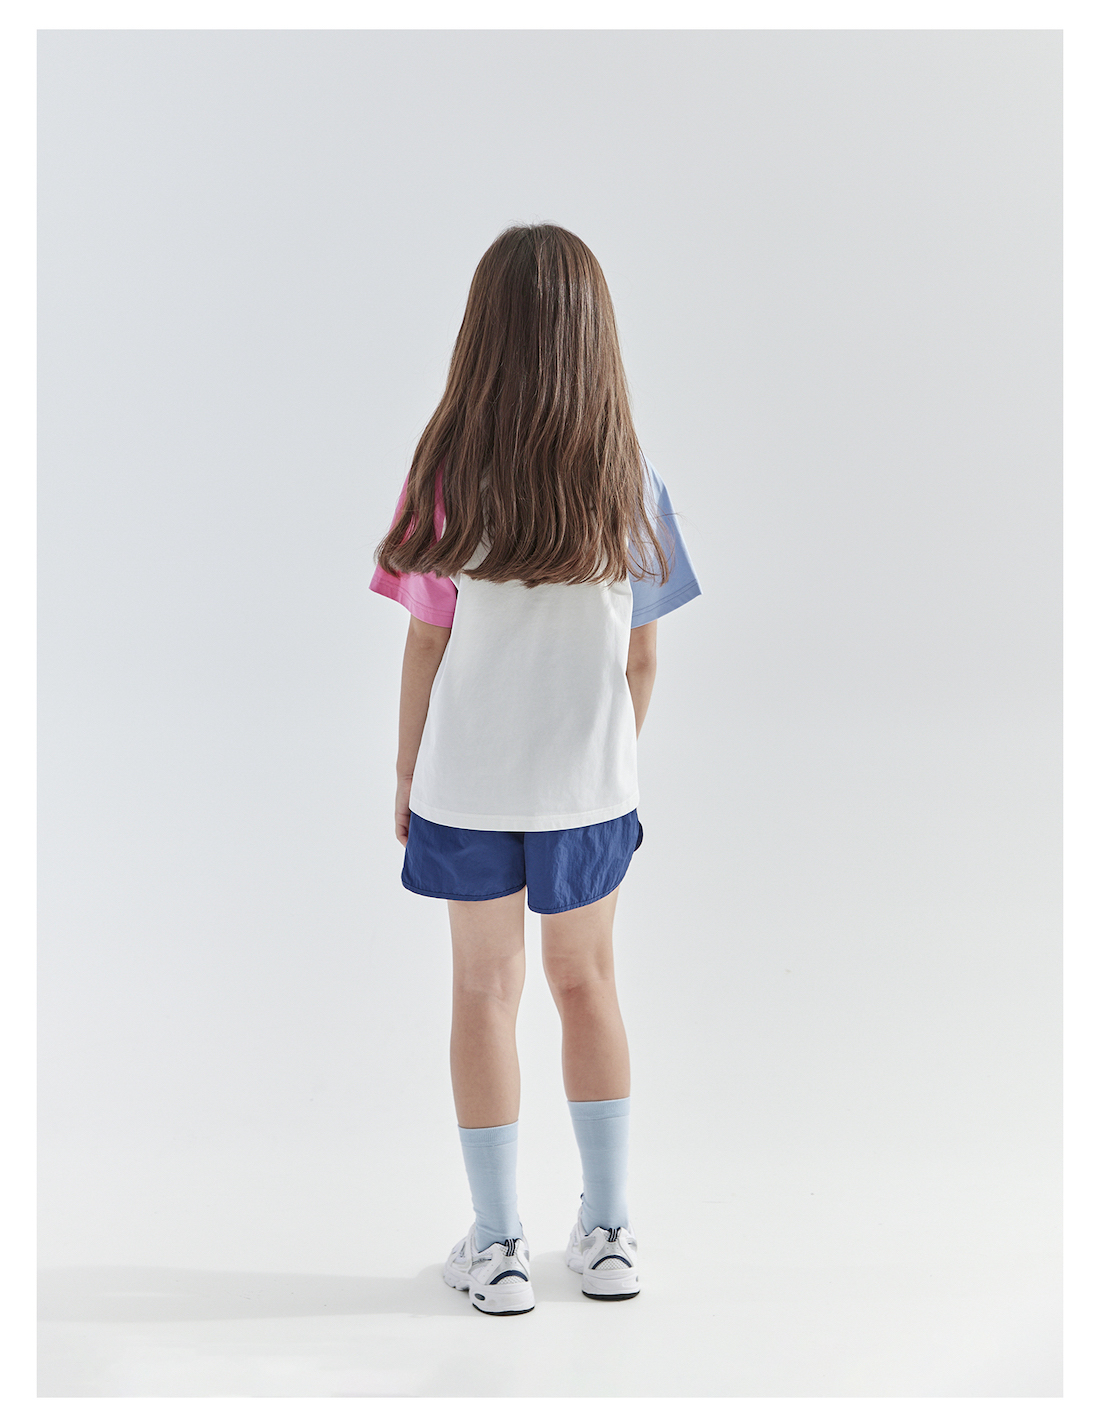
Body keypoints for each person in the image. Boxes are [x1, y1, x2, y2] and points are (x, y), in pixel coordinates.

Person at [370, 223, 701, 1315]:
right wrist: (607, 761)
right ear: (594, 339)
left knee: (483, 991)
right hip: (587, 790)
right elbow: (641, 657)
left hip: (467, 783)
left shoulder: (445, 478)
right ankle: (607, 1234)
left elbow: (424, 644)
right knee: (587, 983)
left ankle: (500, 1244)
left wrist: (407, 772)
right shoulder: (630, 484)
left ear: (482, 336)